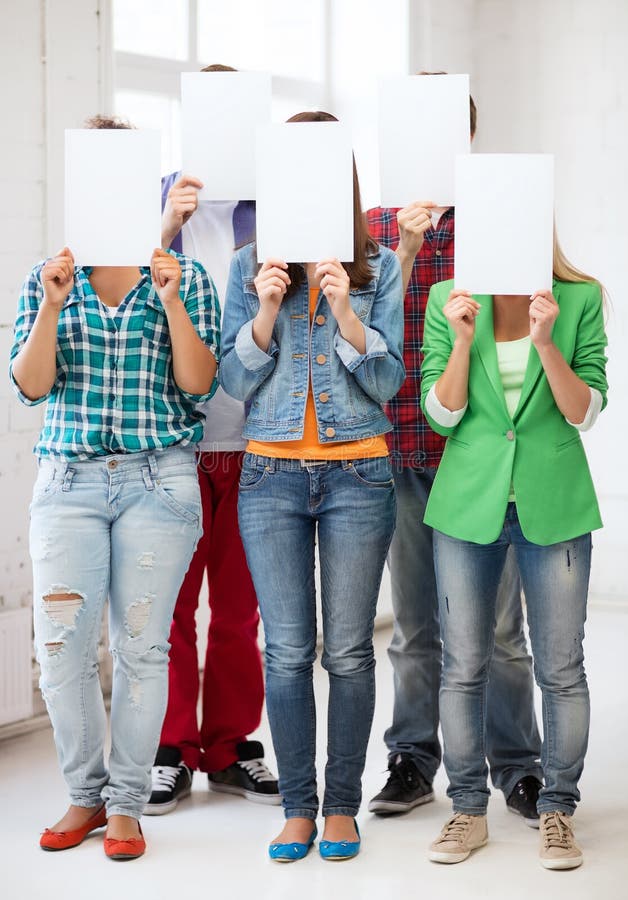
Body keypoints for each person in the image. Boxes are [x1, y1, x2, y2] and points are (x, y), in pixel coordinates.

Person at [10, 132, 220, 858]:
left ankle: (126, 803)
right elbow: (32, 385)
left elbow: (198, 384)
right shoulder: (49, 279)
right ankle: (83, 795)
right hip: (67, 481)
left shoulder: (183, 278)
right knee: (62, 650)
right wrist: (49, 305)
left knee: (142, 648)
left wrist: (169, 303)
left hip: (157, 482)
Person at [219, 111, 404, 862]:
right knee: (287, 651)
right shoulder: (244, 267)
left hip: (358, 473)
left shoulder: (378, 267)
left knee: (349, 652)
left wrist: (344, 313)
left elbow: (389, 383)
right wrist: (266, 310)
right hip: (268, 476)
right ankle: (297, 807)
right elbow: (233, 383)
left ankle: (340, 807)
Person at [366, 74, 543, 824]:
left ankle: (518, 765)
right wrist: (402, 247)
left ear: (463, 140)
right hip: (403, 445)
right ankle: (411, 759)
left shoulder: (498, 220)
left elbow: (525, 331)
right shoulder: (371, 226)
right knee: (414, 625)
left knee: (501, 630)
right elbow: (368, 337)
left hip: (479, 457)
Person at [421, 238, 607, 869]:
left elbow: (582, 412)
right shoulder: (451, 300)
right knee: (463, 663)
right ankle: (467, 809)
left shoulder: (578, 299)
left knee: (560, 668)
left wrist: (546, 343)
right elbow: (441, 414)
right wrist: (465, 339)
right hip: (467, 504)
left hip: (552, 506)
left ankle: (557, 809)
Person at [145, 63, 280, 815]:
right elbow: (121, 303)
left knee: (238, 612)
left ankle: (229, 747)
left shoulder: (280, 207)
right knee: (167, 606)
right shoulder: (158, 196)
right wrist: (160, 228)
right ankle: (169, 747)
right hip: (173, 444)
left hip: (254, 440)